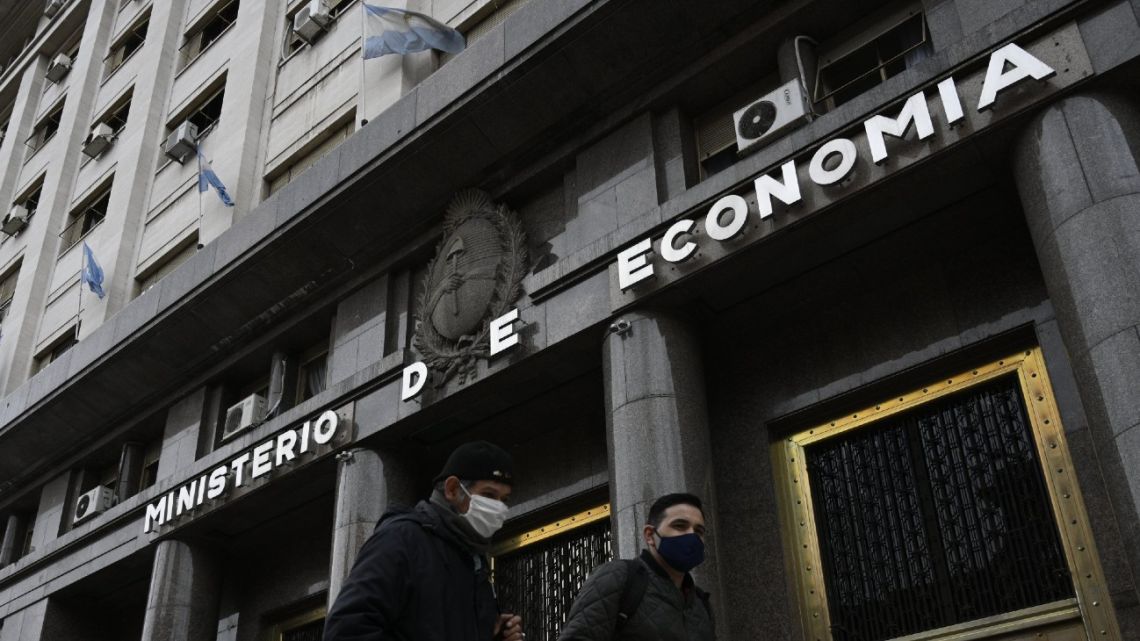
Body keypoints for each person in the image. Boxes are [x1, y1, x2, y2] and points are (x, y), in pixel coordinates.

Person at [324, 441, 525, 641]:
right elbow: (346, 630)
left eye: (504, 500)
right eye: (489, 495)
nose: (498, 508)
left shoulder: (472, 560)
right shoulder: (402, 539)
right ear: (453, 489)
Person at [559, 493, 715, 641]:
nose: (691, 535)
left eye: (698, 531)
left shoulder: (701, 604)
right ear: (649, 535)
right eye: (680, 526)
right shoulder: (618, 577)